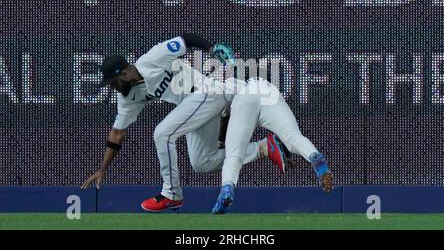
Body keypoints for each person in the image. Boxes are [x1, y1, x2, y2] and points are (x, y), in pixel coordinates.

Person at [80, 34, 291, 212]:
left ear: (124, 73)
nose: (111, 88)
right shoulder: (128, 97)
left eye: (112, 83)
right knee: (202, 162)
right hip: (194, 108)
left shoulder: (152, 58)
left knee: (162, 133)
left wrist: (211, 47)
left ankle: (171, 193)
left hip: (206, 92)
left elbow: (185, 39)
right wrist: (102, 169)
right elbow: (117, 134)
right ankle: (264, 148)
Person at [211, 78, 333, 214]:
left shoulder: (218, 91)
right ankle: (315, 156)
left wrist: (221, 142)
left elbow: (224, 118)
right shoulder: (230, 84)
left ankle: (227, 189)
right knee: (293, 137)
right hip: (269, 91)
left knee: (234, 155)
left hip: (245, 97)